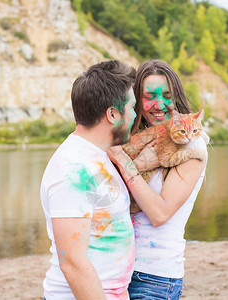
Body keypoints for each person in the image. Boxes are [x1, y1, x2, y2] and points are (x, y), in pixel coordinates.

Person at [108, 59, 208, 300]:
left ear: (177, 99)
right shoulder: (130, 139)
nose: (158, 104)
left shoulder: (192, 146)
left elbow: (160, 214)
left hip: (153, 277)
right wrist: (140, 163)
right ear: (135, 100)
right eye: (149, 96)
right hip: (112, 271)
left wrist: (126, 162)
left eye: (166, 95)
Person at [40, 60, 138, 300]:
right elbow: (72, 262)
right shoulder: (72, 169)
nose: (136, 114)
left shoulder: (95, 156)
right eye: (132, 107)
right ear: (112, 114)